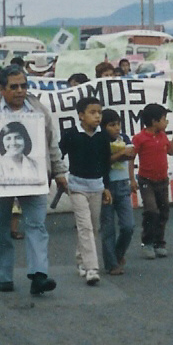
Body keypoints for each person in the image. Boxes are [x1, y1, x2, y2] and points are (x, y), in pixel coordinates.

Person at [0, 65, 68, 295]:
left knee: (36, 225)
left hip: (34, 178)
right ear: (1, 89)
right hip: (0, 180)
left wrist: (59, 172)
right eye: (14, 87)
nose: (20, 91)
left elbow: (51, 143)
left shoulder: (38, 109)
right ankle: (4, 276)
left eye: (23, 86)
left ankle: (39, 275)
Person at [60, 96, 112, 286]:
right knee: (85, 226)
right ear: (81, 115)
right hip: (77, 186)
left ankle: (81, 259)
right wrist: (59, 176)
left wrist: (106, 186)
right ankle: (92, 268)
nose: (97, 116)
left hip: (97, 186)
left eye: (99, 112)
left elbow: (106, 163)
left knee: (93, 226)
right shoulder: (71, 134)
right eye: (92, 112)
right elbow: (59, 154)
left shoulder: (103, 136)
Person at [132, 102, 173, 259]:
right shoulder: (139, 138)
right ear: (154, 121)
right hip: (146, 180)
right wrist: (131, 179)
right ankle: (147, 242)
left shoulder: (162, 136)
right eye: (164, 119)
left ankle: (159, 242)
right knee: (151, 210)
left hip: (162, 180)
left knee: (163, 210)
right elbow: (130, 157)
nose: (166, 122)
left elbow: (171, 152)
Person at [99, 108, 136, 276]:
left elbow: (130, 158)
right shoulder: (100, 140)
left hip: (122, 184)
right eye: (111, 125)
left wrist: (132, 179)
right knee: (108, 228)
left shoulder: (125, 138)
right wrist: (119, 154)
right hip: (106, 186)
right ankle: (111, 264)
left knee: (128, 225)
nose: (116, 128)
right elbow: (101, 162)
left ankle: (118, 253)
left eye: (118, 124)